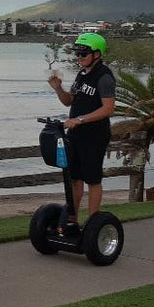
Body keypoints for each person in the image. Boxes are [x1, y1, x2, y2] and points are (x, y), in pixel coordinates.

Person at [46, 33, 116, 232]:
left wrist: (80, 119)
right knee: (75, 178)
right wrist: (58, 88)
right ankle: (72, 220)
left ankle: (93, 225)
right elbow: (69, 101)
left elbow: (108, 109)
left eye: (83, 54)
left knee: (93, 179)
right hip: (75, 135)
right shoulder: (81, 75)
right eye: (77, 53)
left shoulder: (104, 77)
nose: (79, 57)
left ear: (97, 54)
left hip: (94, 136)